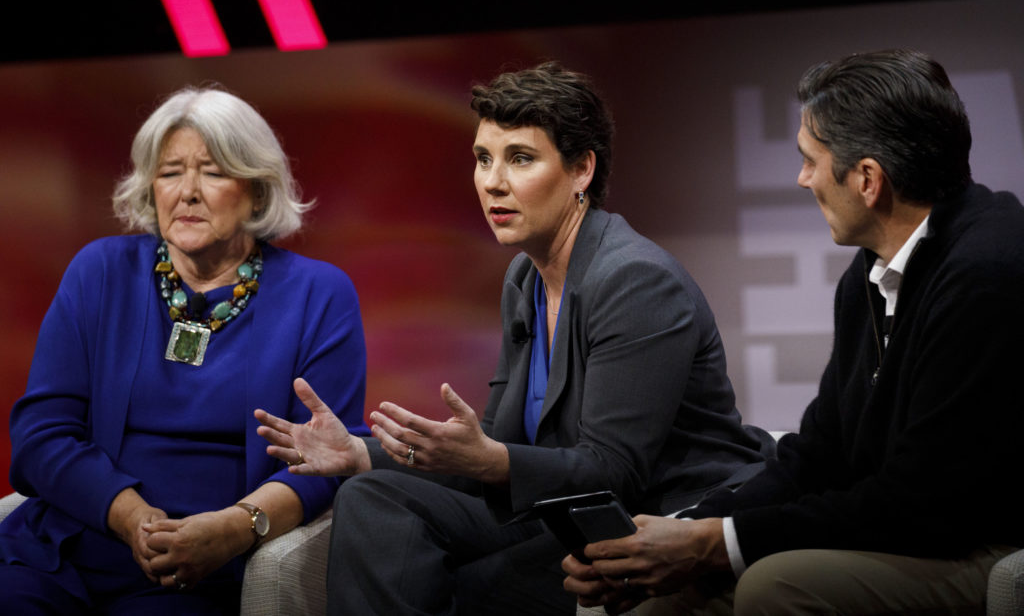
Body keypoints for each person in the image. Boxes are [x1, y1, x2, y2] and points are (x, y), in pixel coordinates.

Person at [255, 62, 772, 614]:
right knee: (372, 496)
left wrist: (491, 459)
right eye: (483, 159)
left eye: (520, 158)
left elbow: (613, 471)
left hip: (650, 516)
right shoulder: (525, 277)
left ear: (581, 171)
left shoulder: (634, 280)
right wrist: (360, 451)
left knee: (470, 583)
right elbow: (503, 442)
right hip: (561, 509)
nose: (492, 182)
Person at [563, 49, 1024, 615]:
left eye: (810, 159)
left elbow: (924, 502)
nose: (801, 178)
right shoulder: (870, 276)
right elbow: (819, 455)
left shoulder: (989, 272)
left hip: (984, 540)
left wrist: (717, 545)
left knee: (776, 586)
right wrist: (696, 528)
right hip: (912, 524)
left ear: (867, 179)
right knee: (662, 592)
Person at [0, 86, 369, 614]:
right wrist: (131, 517)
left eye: (214, 172)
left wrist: (234, 528)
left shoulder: (319, 293)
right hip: (66, 546)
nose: (187, 192)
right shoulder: (100, 270)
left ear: (258, 190)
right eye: (171, 171)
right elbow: (40, 435)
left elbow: (327, 460)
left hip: (203, 569)